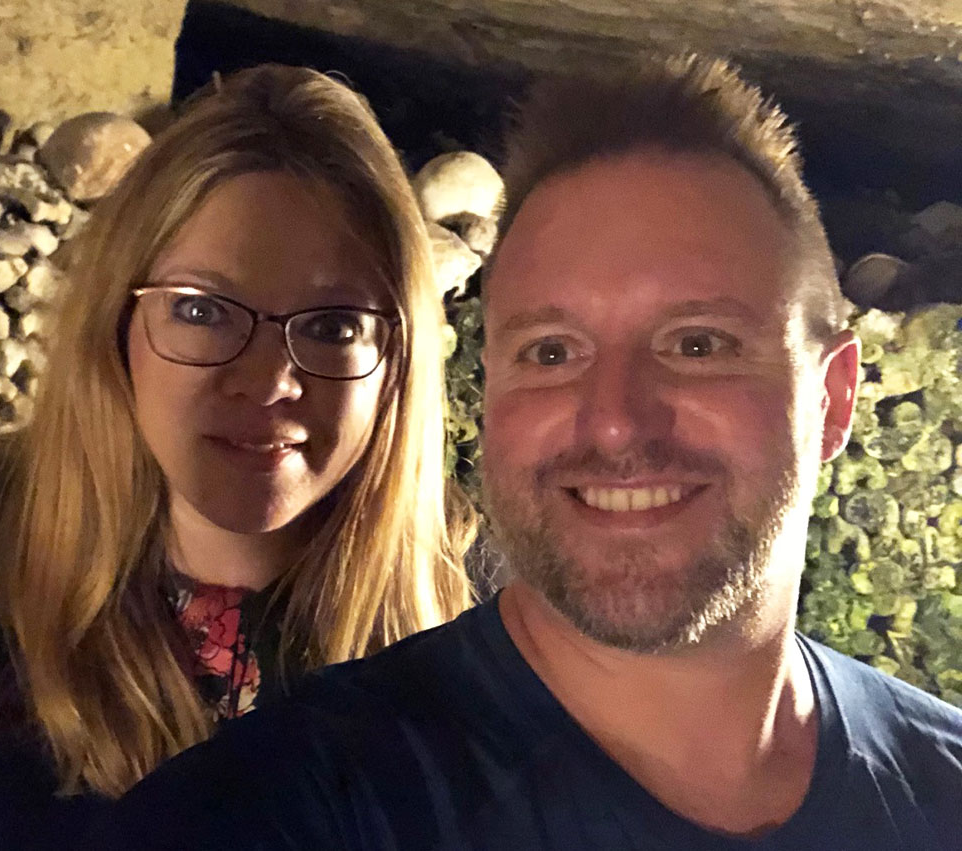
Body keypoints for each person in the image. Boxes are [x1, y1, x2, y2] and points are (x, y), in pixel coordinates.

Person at [104, 54, 962, 849]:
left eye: (697, 343)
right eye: (551, 352)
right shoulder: (287, 809)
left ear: (834, 397)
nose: (615, 421)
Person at [0, 64, 476, 850]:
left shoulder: (475, 620)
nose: (268, 380)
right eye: (202, 311)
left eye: (332, 326)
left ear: (401, 358)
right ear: (117, 327)